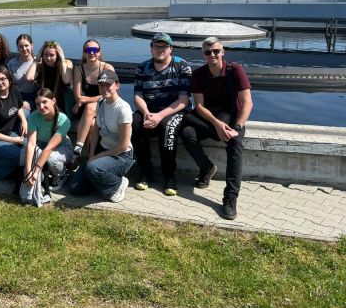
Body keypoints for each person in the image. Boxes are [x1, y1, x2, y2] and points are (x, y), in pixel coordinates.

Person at [180, 36, 253, 220]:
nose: (212, 55)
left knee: (235, 144)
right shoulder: (198, 74)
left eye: (216, 51)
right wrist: (217, 124)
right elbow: (199, 106)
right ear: (203, 55)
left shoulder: (235, 70)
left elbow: (247, 103)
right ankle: (206, 168)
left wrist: (237, 127)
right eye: (208, 52)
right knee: (187, 132)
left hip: (232, 119)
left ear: (222, 52)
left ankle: (230, 197)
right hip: (209, 119)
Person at [131, 33, 192, 196]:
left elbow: (184, 100)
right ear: (151, 48)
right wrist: (146, 113)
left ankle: (169, 176)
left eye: (164, 46)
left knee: (167, 128)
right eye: (157, 46)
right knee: (133, 124)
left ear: (170, 49)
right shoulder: (142, 68)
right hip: (150, 109)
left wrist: (159, 116)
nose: (160, 49)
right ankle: (146, 171)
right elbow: (138, 96)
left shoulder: (182, 66)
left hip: (175, 110)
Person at [68, 70, 134, 203]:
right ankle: (101, 181)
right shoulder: (101, 102)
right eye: (101, 85)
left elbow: (123, 146)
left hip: (121, 156)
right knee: (75, 188)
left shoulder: (123, 109)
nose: (104, 89)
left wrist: (97, 158)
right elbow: (96, 129)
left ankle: (118, 184)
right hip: (102, 149)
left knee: (93, 168)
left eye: (108, 85)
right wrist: (91, 154)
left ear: (117, 85)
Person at [23, 88, 74, 193]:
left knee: (52, 159)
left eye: (44, 102)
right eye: (38, 104)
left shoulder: (63, 120)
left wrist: (35, 171)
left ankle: (61, 174)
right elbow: (31, 144)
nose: (41, 107)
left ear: (53, 100)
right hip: (42, 143)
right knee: (24, 152)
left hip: (61, 147)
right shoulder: (33, 117)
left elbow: (49, 148)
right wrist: (28, 172)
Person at [72, 39, 114, 161]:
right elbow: (77, 96)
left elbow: (109, 94)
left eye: (95, 50)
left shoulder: (107, 68)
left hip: (105, 106)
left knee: (90, 107)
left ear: (99, 52)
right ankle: (90, 157)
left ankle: (78, 149)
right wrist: (82, 100)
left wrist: (84, 100)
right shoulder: (79, 69)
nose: (91, 53)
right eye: (88, 50)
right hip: (84, 110)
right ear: (84, 53)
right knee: (91, 124)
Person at [26, 40, 73, 115]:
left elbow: (66, 80)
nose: (48, 58)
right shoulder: (41, 66)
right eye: (45, 55)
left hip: (61, 104)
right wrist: (37, 59)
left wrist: (62, 59)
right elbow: (29, 78)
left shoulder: (66, 63)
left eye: (52, 55)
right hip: (43, 103)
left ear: (58, 55)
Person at [7, 33, 38, 115]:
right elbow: (9, 84)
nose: (24, 49)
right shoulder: (12, 63)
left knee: (22, 114)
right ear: (17, 48)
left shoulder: (37, 63)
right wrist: (20, 100)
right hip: (15, 96)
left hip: (31, 98)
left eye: (26, 45)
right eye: (21, 46)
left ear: (31, 45)